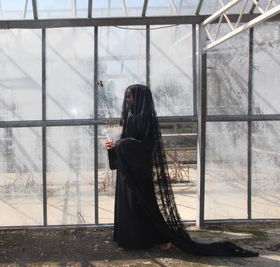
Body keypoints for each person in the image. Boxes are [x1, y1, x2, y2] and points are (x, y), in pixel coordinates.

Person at [103, 84, 258, 257]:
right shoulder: (129, 116)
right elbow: (125, 140)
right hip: (127, 168)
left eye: (130, 96)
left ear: (140, 98)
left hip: (140, 171)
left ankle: (161, 238)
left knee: (144, 204)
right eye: (126, 96)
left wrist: (120, 144)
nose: (127, 100)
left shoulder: (146, 118)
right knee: (129, 205)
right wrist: (112, 144)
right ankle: (128, 240)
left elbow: (146, 146)